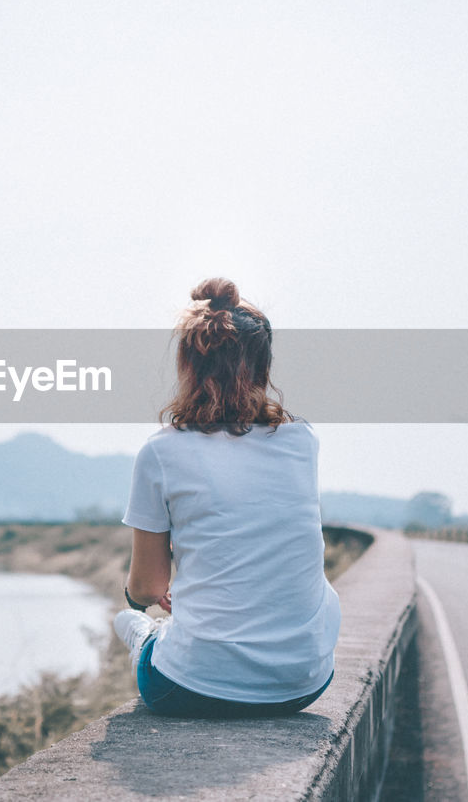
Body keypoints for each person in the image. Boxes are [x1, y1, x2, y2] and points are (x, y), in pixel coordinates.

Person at [113, 277, 341, 718]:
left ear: (188, 366)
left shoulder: (162, 451)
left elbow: (147, 587)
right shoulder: (302, 441)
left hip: (190, 687)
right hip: (303, 685)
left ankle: (144, 637)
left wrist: (137, 595)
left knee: (133, 622)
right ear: (263, 365)